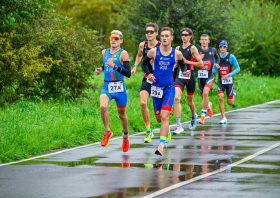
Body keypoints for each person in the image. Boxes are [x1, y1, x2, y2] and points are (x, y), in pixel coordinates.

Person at [142, 27, 189, 156]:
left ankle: (161, 146)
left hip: (169, 89)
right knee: (158, 118)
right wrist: (149, 74)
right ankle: (166, 130)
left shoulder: (177, 54)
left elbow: (183, 65)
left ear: (171, 38)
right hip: (156, 89)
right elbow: (143, 64)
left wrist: (184, 71)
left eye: (167, 36)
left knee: (164, 116)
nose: (164, 38)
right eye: (162, 36)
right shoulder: (153, 52)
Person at [95, 30, 131, 152]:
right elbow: (105, 64)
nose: (113, 40)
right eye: (112, 38)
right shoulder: (104, 52)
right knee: (103, 107)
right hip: (107, 86)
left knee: (121, 115)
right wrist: (100, 69)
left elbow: (128, 73)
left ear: (121, 40)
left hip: (119, 88)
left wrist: (114, 66)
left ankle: (125, 136)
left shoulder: (123, 53)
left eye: (116, 38)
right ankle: (107, 131)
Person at [131, 22, 161, 143]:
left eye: (151, 32)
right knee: (143, 103)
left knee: (159, 117)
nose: (148, 34)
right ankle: (148, 130)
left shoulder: (161, 45)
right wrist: (135, 66)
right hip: (147, 77)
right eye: (147, 32)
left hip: (160, 79)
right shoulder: (142, 45)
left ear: (156, 33)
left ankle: (166, 128)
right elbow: (139, 55)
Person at [173, 28, 204, 134]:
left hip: (190, 77)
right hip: (180, 76)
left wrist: (188, 62)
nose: (184, 36)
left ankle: (193, 115)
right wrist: (175, 64)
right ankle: (178, 125)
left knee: (189, 102)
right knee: (176, 98)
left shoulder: (193, 48)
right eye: (182, 34)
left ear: (190, 36)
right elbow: (175, 62)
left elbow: (201, 64)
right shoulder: (177, 48)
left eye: (186, 35)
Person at [213, 40, 240, 124]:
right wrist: (215, 67)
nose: (222, 48)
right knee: (220, 98)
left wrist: (228, 75)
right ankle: (223, 118)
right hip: (220, 81)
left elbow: (238, 68)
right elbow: (214, 71)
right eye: (220, 47)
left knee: (230, 103)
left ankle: (233, 94)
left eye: (224, 47)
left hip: (229, 81)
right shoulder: (216, 57)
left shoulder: (231, 57)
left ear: (226, 47)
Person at [197, 34, 220, 124]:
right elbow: (193, 60)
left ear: (208, 41)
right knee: (203, 96)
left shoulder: (212, 50)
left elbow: (217, 57)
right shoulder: (197, 50)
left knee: (206, 93)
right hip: (200, 77)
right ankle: (208, 105)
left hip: (209, 76)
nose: (204, 41)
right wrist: (198, 58)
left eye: (205, 40)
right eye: (202, 39)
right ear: (200, 41)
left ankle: (202, 117)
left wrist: (217, 64)